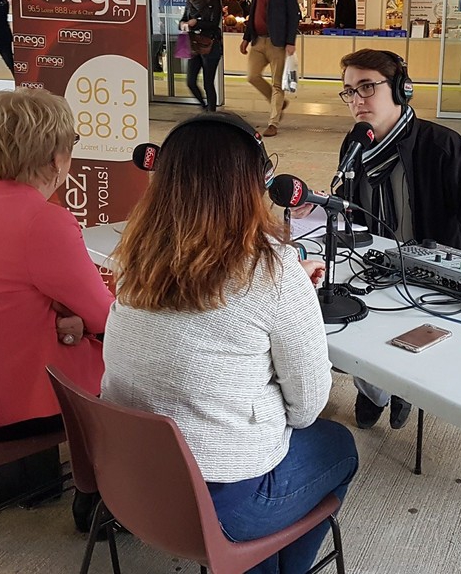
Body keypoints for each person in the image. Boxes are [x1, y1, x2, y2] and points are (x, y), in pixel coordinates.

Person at [101, 112, 358, 574]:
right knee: (338, 444)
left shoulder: (133, 255)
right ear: (254, 183)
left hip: (132, 482)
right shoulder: (273, 272)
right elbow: (307, 408)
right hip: (222, 505)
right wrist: (293, 296)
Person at [305, 49, 461, 430]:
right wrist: (321, 207)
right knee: (346, 324)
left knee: (396, 343)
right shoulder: (355, 146)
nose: (356, 100)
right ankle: (374, 390)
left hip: (426, 280)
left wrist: (460, 282)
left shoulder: (442, 147)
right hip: (374, 269)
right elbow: (353, 212)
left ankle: (399, 390)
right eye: (349, 91)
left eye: (367, 87)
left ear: (402, 89)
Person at [0, 88, 114, 526]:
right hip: (20, 404)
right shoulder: (43, 221)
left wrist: (71, 317)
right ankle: (104, 498)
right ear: (56, 159)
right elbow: (109, 319)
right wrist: (86, 318)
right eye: (72, 144)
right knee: (152, 364)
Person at [241, 0, 299, 137]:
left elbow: (293, 13)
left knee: (277, 84)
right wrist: (246, 37)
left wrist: (290, 41)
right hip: (258, 40)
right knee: (252, 76)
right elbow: (253, 11)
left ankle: (273, 123)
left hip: (277, 42)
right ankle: (280, 104)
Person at [180, 0, 223, 112]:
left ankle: (212, 113)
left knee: (208, 83)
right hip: (194, 45)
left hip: (210, 45)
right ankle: (204, 107)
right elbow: (184, 18)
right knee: (190, 82)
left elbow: (214, 23)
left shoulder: (214, 1)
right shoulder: (189, 1)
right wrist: (183, 24)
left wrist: (196, 23)